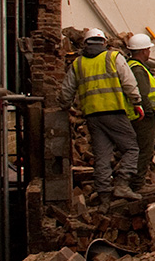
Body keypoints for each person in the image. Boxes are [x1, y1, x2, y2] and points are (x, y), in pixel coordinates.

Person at [58, 28, 144, 203]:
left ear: (85, 43)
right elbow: (128, 81)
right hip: (114, 112)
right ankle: (121, 184)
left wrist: (65, 106)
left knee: (102, 155)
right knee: (131, 148)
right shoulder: (113, 57)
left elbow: (66, 90)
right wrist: (136, 101)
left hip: (92, 116)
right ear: (104, 42)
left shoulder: (78, 63)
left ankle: (104, 194)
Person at [125, 33, 155, 193]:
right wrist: (151, 114)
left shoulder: (132, 67)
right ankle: (137, 185)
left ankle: (135, 182)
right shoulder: (138, 70)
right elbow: (143, 94)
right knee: (144, 150)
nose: (149, 53)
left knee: (139, 149)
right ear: (143, 51)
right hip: (143, 117)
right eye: (148, 50)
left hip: (138, 115)